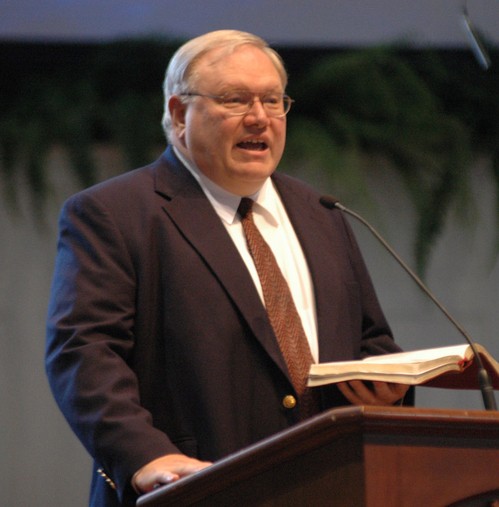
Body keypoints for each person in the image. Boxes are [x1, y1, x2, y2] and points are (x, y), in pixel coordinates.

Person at [45, 29, 409, 507]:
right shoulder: (116, 214)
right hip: (193, 489)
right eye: (235, 100)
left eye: (273, 100)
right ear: (180, 114)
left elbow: (370, 341)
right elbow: (84, 352)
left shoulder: (322, 214)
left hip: (330, 487)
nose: (259, 117)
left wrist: (385, 389)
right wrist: (146, 456)